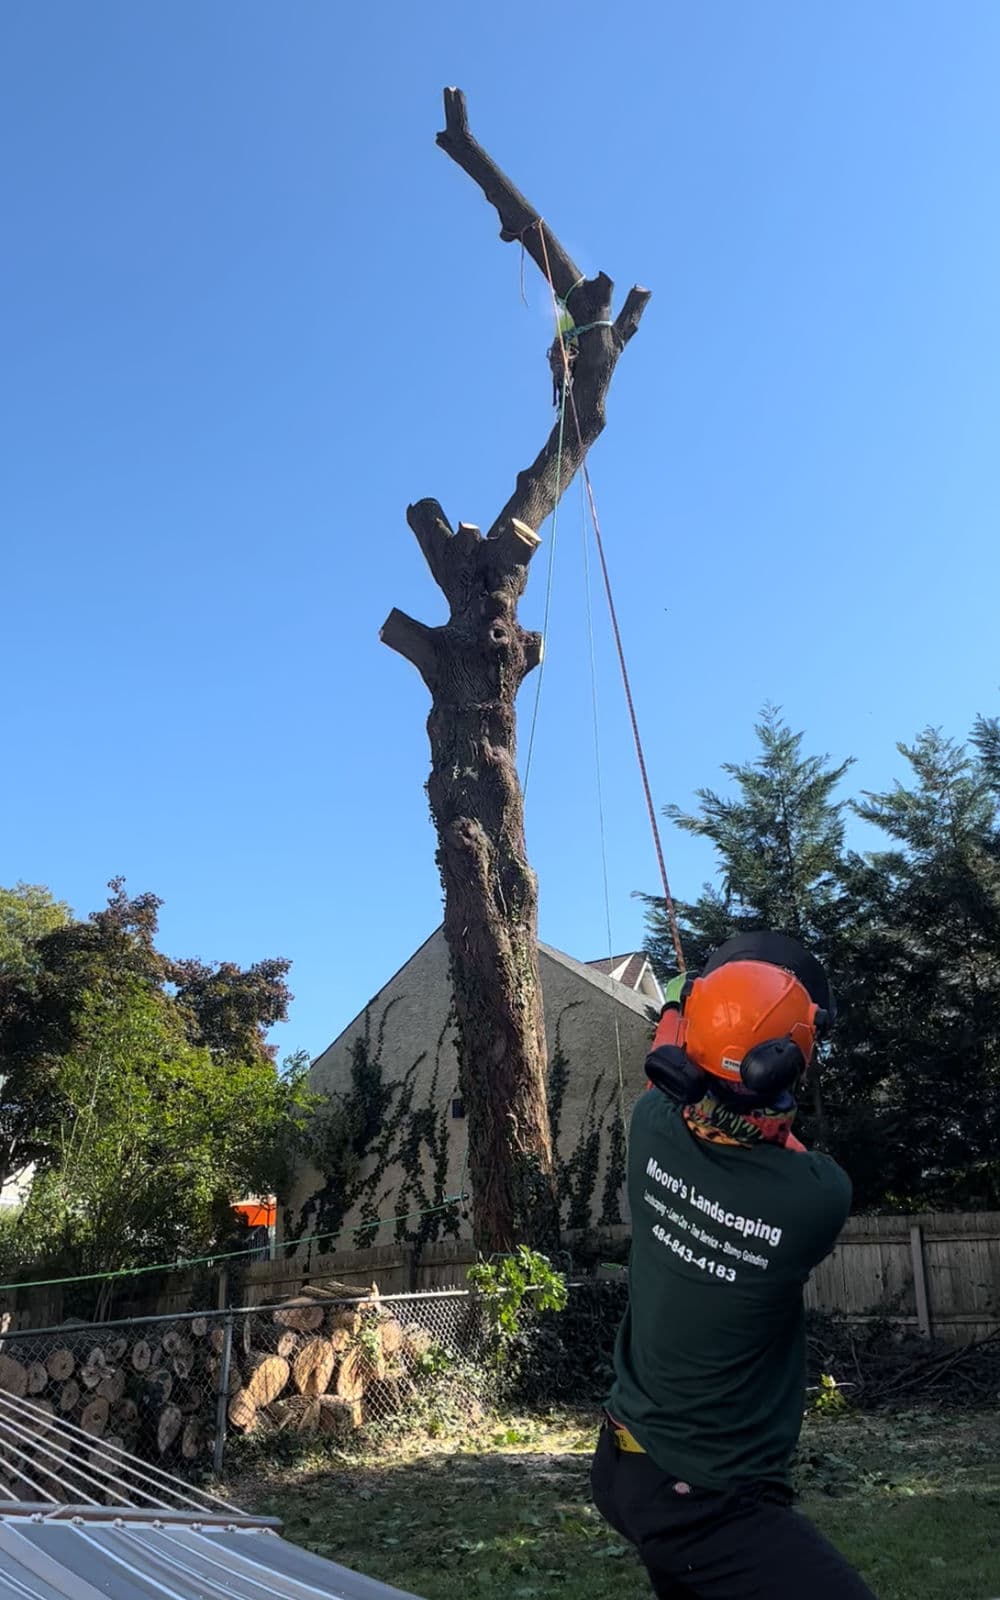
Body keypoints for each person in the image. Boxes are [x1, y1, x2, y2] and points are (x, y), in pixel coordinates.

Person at [591, 931, 877, 1600]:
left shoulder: (652, 1125)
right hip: (704, 1500)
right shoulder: (814, 1197)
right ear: (788, 1067)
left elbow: (664, 1059)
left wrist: (680, 1003)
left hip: (627, 1463)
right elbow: (781, 1144)